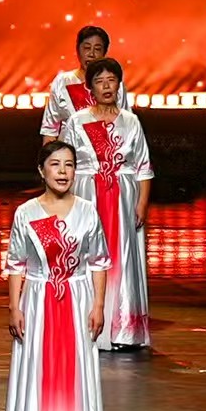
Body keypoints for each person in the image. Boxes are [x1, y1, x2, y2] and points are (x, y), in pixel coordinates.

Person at [1, 139, 111, 411]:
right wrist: (14, 307)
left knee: (76, 375)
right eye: (55, 164)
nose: (63, 172)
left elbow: (99, 262)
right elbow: (16, 263)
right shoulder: (26, 213)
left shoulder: (88, 211)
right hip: (37, 301)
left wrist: (98, 305)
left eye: (69, 165)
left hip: (77, 301)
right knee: (37, 373)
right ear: (41, 170)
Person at [72, 58, 153, 349]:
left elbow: (143, 167)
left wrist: (141, 203)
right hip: (87, 195)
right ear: (90, 87)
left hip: (123, 197)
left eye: (111, 80)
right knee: (88, 255)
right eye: (99, 81)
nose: (106, 86)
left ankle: (122, 330)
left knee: (123, 257)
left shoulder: (131, 121)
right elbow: (67, 163)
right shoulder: (77, 121)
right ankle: (89, 324)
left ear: (119, 84)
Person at [37, 21, 111, 154]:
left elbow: (125, 127)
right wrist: (49, 161)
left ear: (104, 53)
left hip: (104, 158)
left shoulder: (113, 84)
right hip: (69, 158)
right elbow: (50, 130)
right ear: (78, 50)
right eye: (87, 48)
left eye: (97, 49)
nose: (91, 54)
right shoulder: (63, 81)